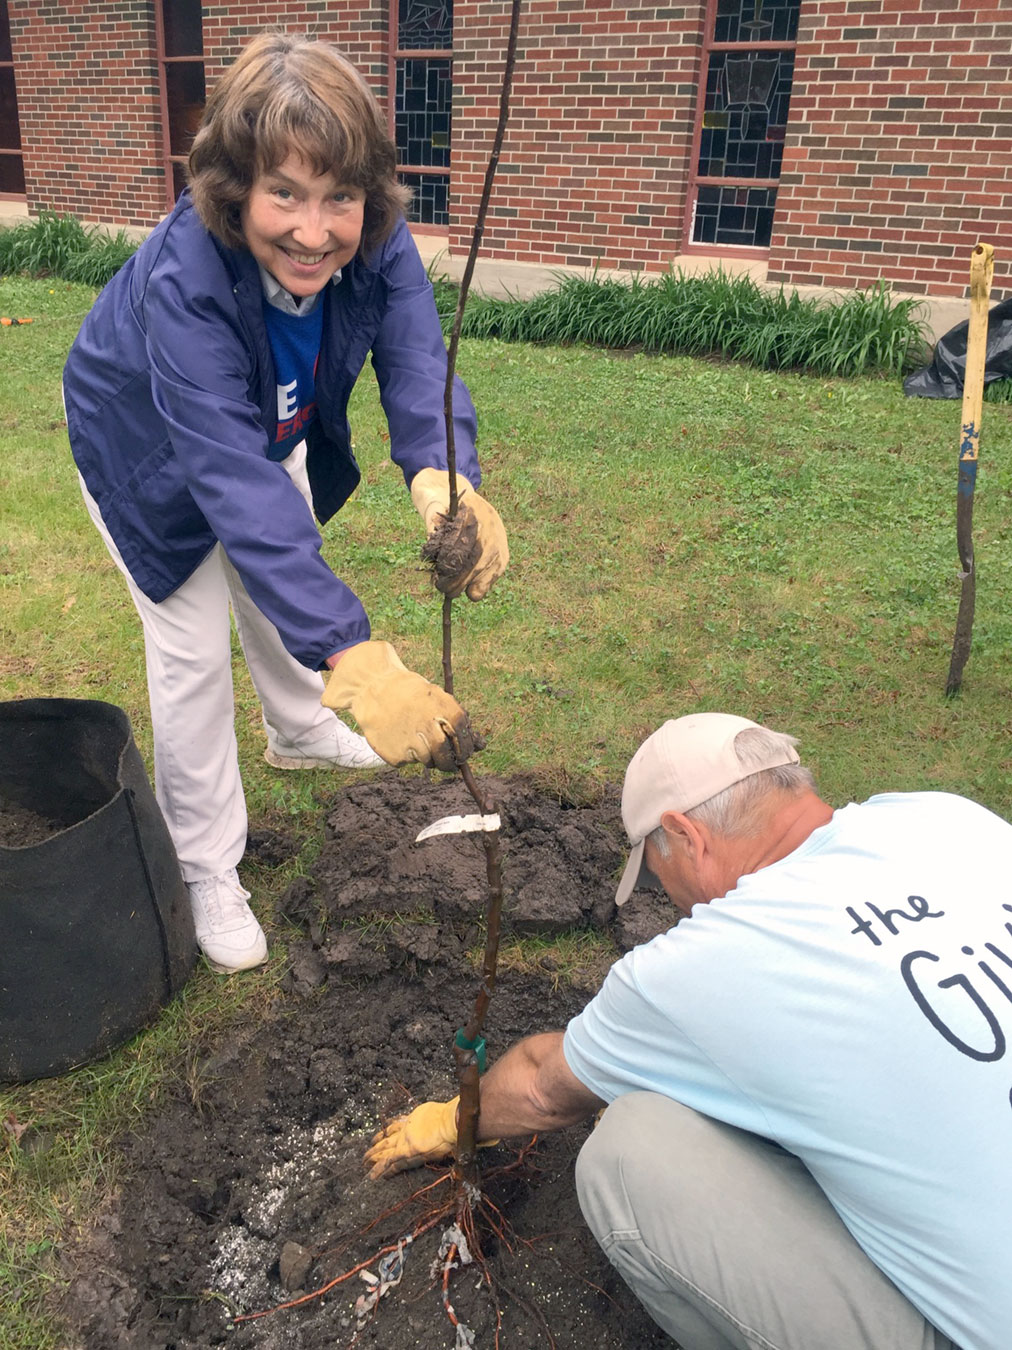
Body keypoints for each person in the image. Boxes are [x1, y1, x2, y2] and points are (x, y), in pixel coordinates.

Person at [62, 33, 508, 975]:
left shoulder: (376, 241)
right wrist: (355, 656)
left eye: (339, 196)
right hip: (146, 446)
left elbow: (419, 355)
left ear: (369, 194)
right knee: (190, 648)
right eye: (285, 195)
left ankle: (300, 728)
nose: (315, 231)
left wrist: (442, 473)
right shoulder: (189, 281)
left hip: (263, 421)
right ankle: (207, 864)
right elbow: (229, 484)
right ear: (234, 191)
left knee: (283, 556)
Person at [365, 712, 1012, 1350]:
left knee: (629, 1151)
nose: (665, 897)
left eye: (653, 873)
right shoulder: (945, 820)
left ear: (685, 834)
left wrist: (451, 1122)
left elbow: (542, 1086)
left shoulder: (710, 962)